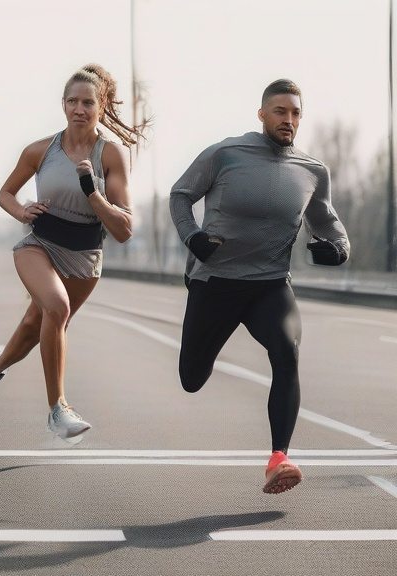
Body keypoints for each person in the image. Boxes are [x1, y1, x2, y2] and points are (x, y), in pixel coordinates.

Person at [169, 79, 349, 494]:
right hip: (215, 282)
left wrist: (339, 250)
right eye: (280, 111)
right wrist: (192, 237)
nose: (289, 120)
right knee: (191, 378)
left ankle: (279, 458)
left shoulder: (312, 170)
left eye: (296, 113)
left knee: (287, 352)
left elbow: (329, 223)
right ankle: (205, 356)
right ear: (262, 114)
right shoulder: (226, 154)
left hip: (269, 284)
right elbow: (180, 196)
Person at [0, 64, 149, 444]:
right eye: (72, 101)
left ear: (101, 106)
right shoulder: (39, 150)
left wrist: (93, 193)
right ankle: (58, 410)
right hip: (39, 244)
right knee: (57, 308)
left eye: (87, 102)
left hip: (85, 256)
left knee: (35, 327)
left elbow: (124, 229)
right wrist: (21, 212)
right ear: (62, 105)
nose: (79, 109)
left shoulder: (110, 155)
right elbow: (5, 193)